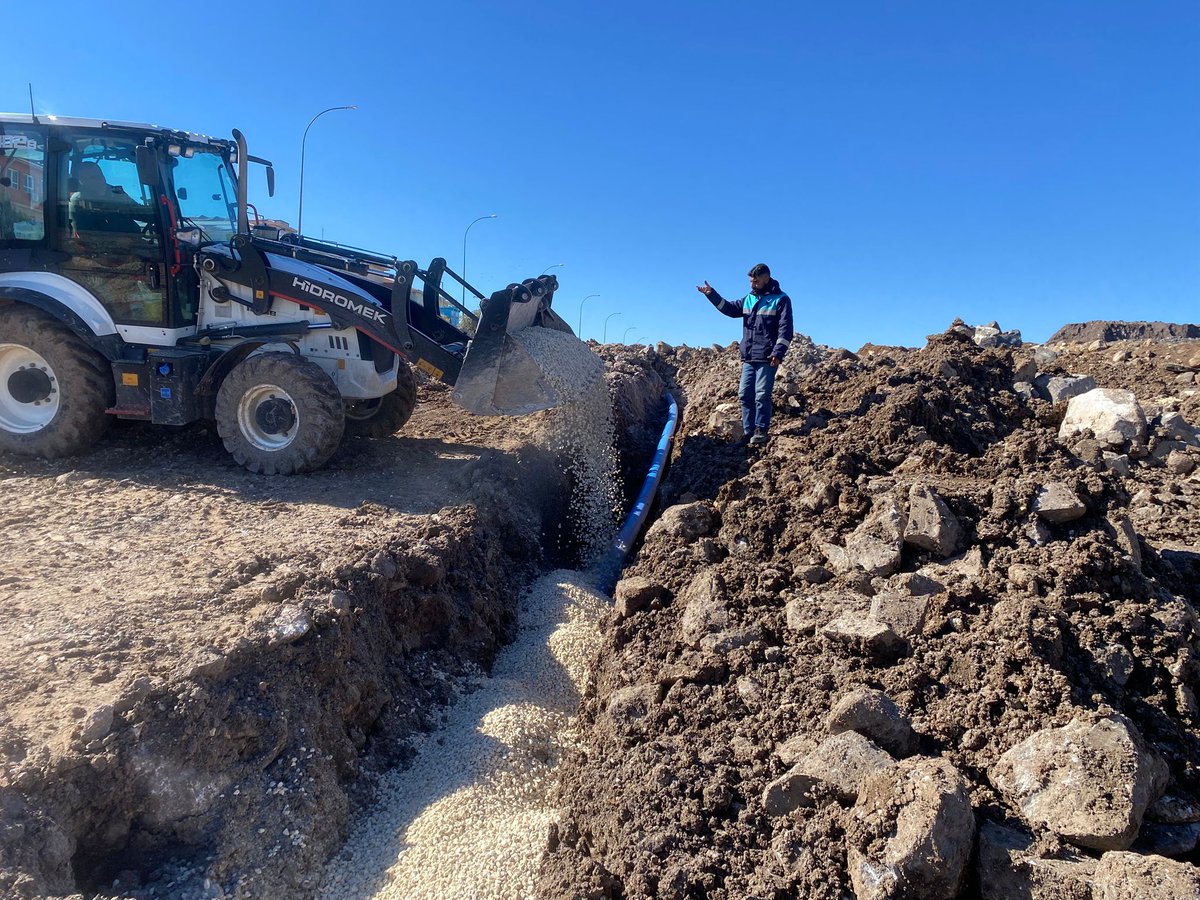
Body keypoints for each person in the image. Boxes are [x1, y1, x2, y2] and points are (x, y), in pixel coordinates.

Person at [697, 263, 793, 447]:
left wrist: (778, 352)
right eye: (750, 281)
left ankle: (761, 431)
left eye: (756, 281)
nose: (752, 284)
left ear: (766, 278)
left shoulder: (781, 300)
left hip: (767, 357)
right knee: (744, 395)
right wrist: (711, 294)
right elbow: (730, 309)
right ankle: (748, 432)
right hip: (749, 356)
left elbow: (786, 329)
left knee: (761, 395)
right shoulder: (749, 298)